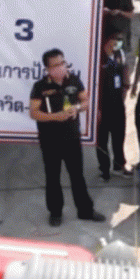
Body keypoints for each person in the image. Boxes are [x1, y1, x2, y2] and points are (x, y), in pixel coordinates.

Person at [29, 48, 106, 226]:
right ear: (47, 69)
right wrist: (55, 117)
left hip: (71, 138)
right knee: (52, 176)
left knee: (77, 175)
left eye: (62, 63)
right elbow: (33, 113)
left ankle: (85, 211)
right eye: (55, 65)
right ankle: (55, 212)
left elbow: (85, 101)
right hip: (50, 140)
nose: (60, 67)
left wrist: (77, 108)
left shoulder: (73, 80)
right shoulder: (40, 86)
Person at [96, 29, 133, 181]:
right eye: (115, 39)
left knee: (119, 137)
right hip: (103, 107)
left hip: (118, 105)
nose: (118, 43)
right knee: (102, 141)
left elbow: (124, 71)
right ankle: (104, 169)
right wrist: (96, 109)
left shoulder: (120, 54)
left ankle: (119, 165)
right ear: (107, 41)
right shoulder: (99, 59)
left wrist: (126, 88)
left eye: (120, 40)